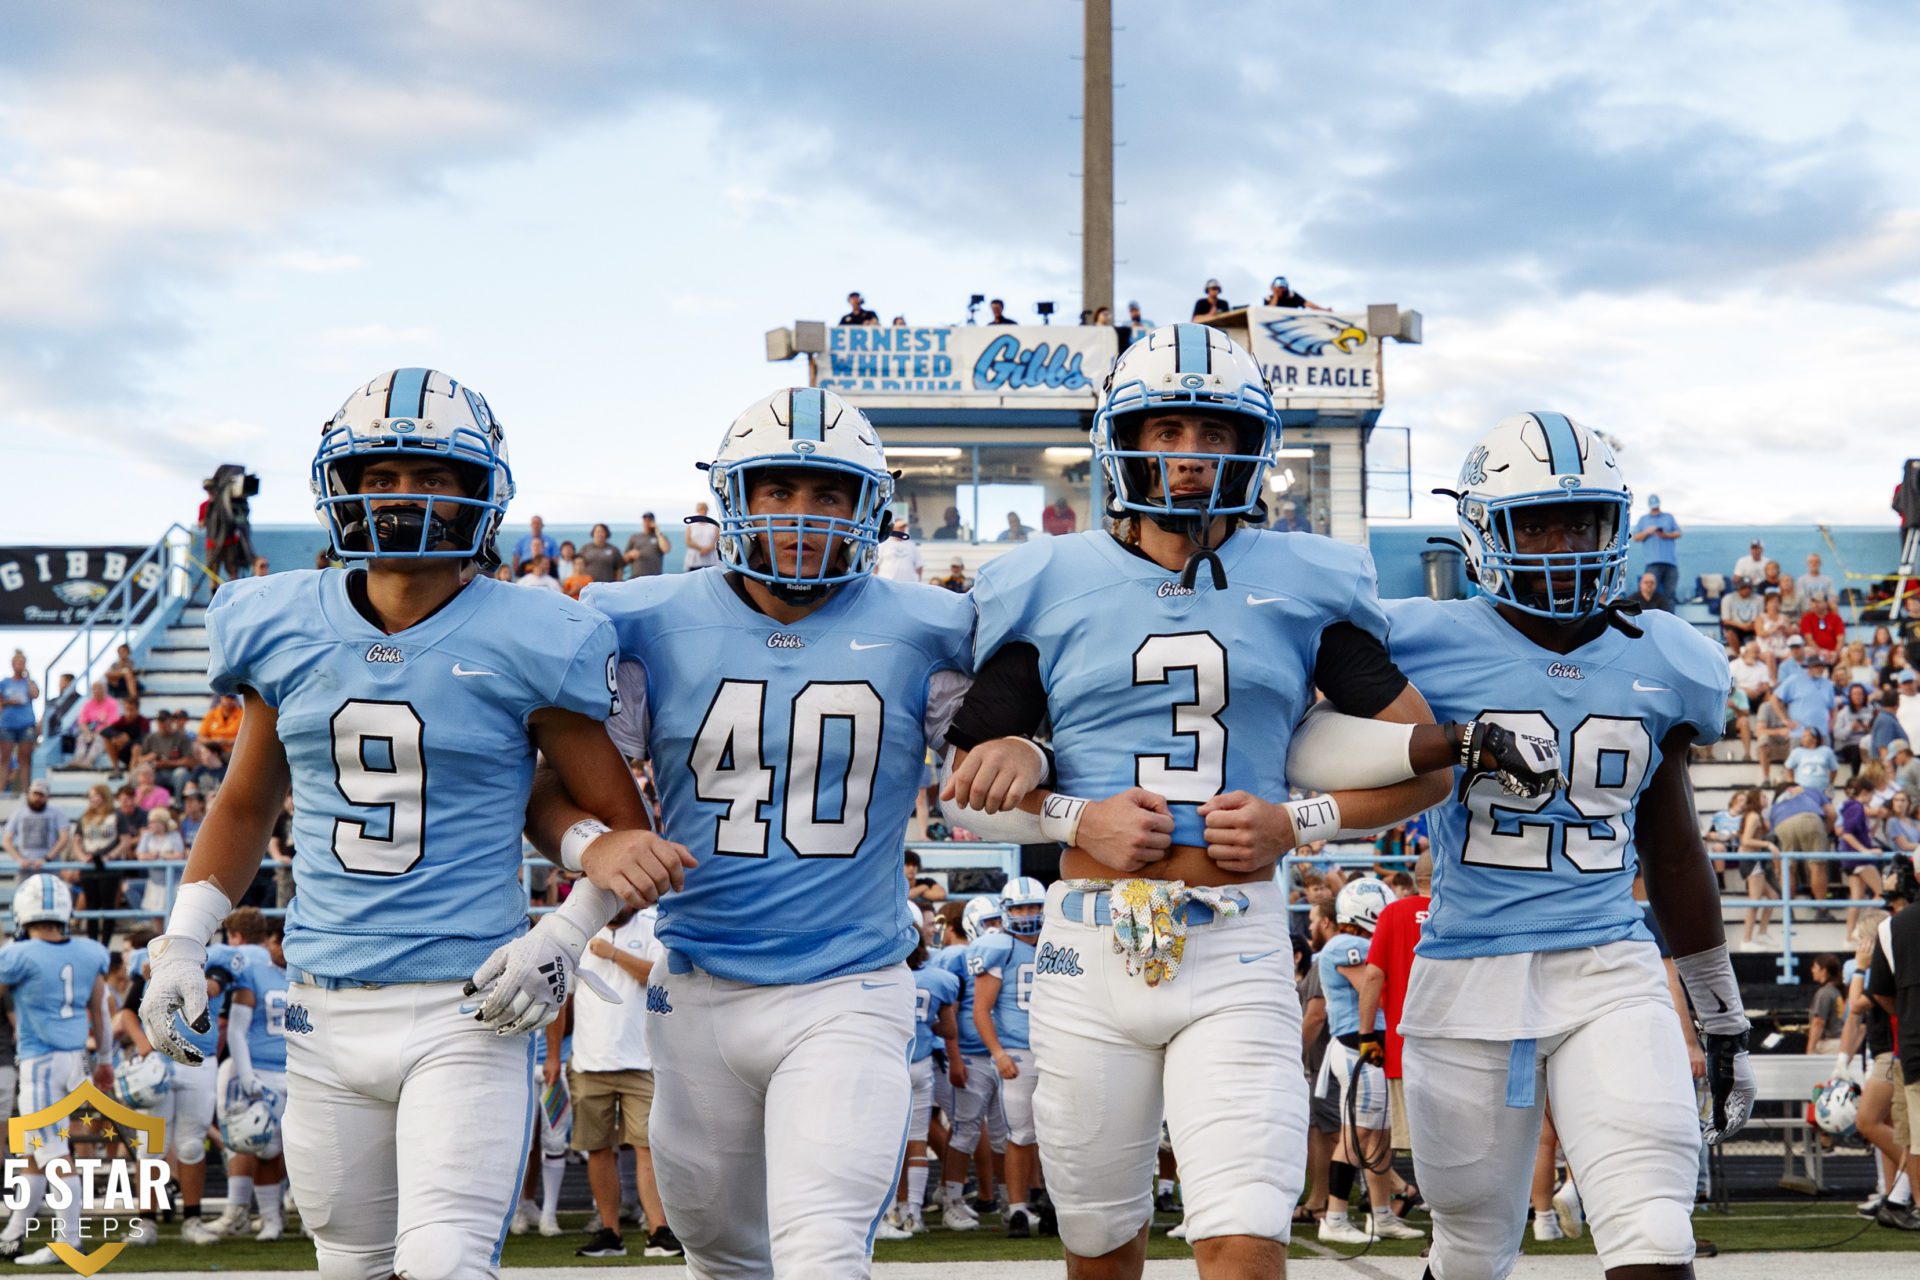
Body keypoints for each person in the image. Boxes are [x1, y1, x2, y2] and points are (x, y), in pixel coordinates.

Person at [936, 325, 1482, 1278]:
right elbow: (971, 795)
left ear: (1251, 446)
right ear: (1122, 441)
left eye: (1213, 432)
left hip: (1235, 936)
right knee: (1101, 1250)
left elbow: (1423, 762)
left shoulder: (1307, 578)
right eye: (1166, 428)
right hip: (1085, 942)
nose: (1188, 456)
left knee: (1243, 1240)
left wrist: (1295, 821)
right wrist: (1076, 813)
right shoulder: (1047, 581)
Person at [136, 367, 669, 1280]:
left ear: (478, 494)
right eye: (378, 477)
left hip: (469, 1001)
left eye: (429, 475)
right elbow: (243, 804)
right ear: (341, 489)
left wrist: (568, 930)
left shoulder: (531, 631)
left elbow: (625, 834)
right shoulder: (281, 623)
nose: (400, 497)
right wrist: (181, 941)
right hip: (321, 1003)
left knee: (448, 1261)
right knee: (349, 1263)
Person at [541, 386, 977, 1278]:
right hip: (697, 985)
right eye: (777, 489)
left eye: (828, 493)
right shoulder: (643, 617)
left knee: (822, 1251)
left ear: (871, 507)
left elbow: (996, 762)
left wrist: (1019, 754)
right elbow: (547, 787)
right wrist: (598, 846)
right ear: (733, 498)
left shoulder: (932, 627)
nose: (802, 514)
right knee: (721, 1254)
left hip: (850, 982)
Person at [1376, 411, 1755, 1279]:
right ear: (1484, 532)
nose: (1560, 542)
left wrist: (1719, 1007)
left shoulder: (1668, 653)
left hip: (1606, 966)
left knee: (1656, 1231)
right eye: (1533, 522)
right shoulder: (1420, 640)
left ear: (1613, 526)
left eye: (1579, 520)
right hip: (1465, 970)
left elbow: (1672, 847)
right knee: (1471, 1250)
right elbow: (1327, 747)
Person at [0, 877, 112, 1265]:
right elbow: (100, 1010)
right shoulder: (90, 951)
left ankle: (69, 1241)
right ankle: (13, 1234)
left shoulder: (17, 955)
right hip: (76, 1059)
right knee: (35, 1150)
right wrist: (107, 1060)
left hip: (41, 1063)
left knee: (51, 1152)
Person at [564, 905, 680, 1260]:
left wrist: (613, 954)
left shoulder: (650, 925)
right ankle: (609, 1232)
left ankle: (658, 1230)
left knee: (648, 1147)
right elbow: (563, 999)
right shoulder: (577, 930)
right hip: (588, 1060)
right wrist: (554, 1057)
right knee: (597, 1149)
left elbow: (657, 977)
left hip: (641, 1060)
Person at [1313, 878, 1423, 1245]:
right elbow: (1374, 987)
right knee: (1358, 1134)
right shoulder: (1348, 945)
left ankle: (1381, 1215)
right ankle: (1335, 1216)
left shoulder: (1354, 943)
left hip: (1374, 1050)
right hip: (1358, 1048)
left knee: (1380, 1135)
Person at [969, 877, 1049, 1238]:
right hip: (1018, 1051)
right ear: (1006, 911)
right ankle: (1017, 1208)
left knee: (1060, 1133)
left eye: (1033, 906)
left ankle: (1052, 1203)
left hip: (1058, 1048)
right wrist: (998, 1052)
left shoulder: (1059, 941)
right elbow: (981, 1010)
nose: (1028, 914)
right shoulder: (997, 946)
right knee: (1021, 1133)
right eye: (1020, 907)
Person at [211, 908, 293, 1243]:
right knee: (264, 1147)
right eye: (283, 942)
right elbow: (237, 1031)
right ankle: (269, 1218)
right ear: (272, 941)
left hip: (296, 1071)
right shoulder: (255, 972)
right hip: (261, 1069)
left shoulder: (306, 974)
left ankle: (286, 1214)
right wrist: (246, 1075)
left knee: (291, 1148)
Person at [1355, 852, 1433, 1164]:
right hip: (1459, 1043)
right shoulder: (1460, 911)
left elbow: (1373, 975)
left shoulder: (1393, 913)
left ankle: (1435, 1203)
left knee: (1417, 1141)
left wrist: (1366, 1036)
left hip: (1406, 1045)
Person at [884, 934, 961, 1236]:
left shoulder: (887, 978)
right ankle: (914, 1212)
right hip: (922, 1065)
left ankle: (892, 1211)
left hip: (894, 1062)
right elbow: (949, 1029)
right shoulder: (938, 979)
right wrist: (926, 1019)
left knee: (890, 1143)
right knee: (917, 1141)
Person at [1865, 865, 1920, 1231]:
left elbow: (1877, 994)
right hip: (1904, 1047)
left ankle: (1903, 1196)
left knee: (1915, 1138)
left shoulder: (1892, 928)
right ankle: (1898, 1195)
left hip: (1912, 1046)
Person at [3, 779, 72, 873]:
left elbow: (64, 838)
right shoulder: (18, 813)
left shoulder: (57, 813)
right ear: (29, 794)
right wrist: (19, 859)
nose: (37, 798)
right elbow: (6, 841)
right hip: (25, 869)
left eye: (41, 795)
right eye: (35, 794)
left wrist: (46, 859)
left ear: (47, 797)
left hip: (50, 868)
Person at [1629, 495, 1683, 602]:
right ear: (1650, 506)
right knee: (1650, 594)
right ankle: (1651, 618)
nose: (1655, 509)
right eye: (1653, 507)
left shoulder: (1668, 517)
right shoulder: (1643, 519)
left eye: (1656, 507)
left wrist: (1666, 535)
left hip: (1670, 563)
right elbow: (1635, 537)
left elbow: (1679, 533)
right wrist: (1648, 532)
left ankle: (1669, 618)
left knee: (1670, 595)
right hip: (1652, 563)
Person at [0, 650, 38, 795]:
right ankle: (1, 791)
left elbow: (35, 694)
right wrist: (9, 701)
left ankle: (25, 791)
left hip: (26, 723)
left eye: (22, 663)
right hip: (7, 724)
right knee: (5, 758)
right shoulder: (4, 683)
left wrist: (28, 677)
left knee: (25, 758)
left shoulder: (29, 682)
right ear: (12, 664)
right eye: (17, 663)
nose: (19, 666)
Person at [1807, 954, 1845, 1053]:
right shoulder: (1837, 991)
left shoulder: (1824, 993)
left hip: (1827, 1046)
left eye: (1815, 967)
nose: (1812, 970)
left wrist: (1810, 1048)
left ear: (1824, 971)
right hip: (1839, 1043)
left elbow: (1818, 1022)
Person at [875, 515, 924, 581]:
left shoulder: (911, 544)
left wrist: (919, 580)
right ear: (893, 528)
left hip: (907, 584)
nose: (903, 529)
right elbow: (875, 564)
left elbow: (919, 565)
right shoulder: (884, 543)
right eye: (900, 527)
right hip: (888, 583)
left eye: (904, 527)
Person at [1719, 576, 1762, 649]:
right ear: (1738, 588)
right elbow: (1726, 620)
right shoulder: (1728, 598)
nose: (1747, 590)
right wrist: (1742, 626)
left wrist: (1751, 625)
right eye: (1744, 588)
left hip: (1753, 626)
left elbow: (1761, 617)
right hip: (1735, 625)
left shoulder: (1759, 599)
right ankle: (1738, 655)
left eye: (1749, 588)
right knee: (1730, 632)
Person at [625, 513, 671, 578]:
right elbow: (624, 559)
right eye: (645, 521)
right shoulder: (635, 537)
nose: (646, 523)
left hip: (654, 577)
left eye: (649, 521)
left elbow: (666, 549)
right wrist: (630, 555)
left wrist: (657, 531)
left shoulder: (660, 537)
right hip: (636, 577)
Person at [1802, 593, 1846, 660]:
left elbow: (1840, 639)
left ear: (1826, 603)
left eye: (1818, 602)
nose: (1815, 604)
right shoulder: (1806, 618)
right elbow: (1809, 640)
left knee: (1846, 652)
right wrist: (1820, 651)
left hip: (1833, 651)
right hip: (1815, 650)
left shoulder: (1836, 618)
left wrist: (1835, 653)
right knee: (1807, 651)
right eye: (1813, 601)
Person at [683, 501, 720, 570]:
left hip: (711, 561)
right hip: (694, 561)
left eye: (704, 509)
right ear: (697, 510)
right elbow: (688, 541)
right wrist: (701, 549)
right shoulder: (691, 526)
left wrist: (707, 549)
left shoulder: (713, 526)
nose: (703, 511)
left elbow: (718, 540)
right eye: (701, 509)